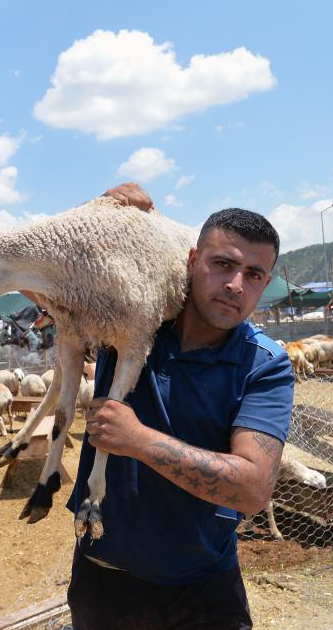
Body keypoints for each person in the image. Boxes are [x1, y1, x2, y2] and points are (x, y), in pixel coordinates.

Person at [65, 184, 294, 630]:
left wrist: (138, 440)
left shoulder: (263, 365)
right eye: (222, 264)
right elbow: (59, 271)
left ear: (265, 284)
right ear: (191, 261)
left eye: (253, 274)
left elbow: (253, 489)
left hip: (201, 593)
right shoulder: (129, 322)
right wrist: (101, 209)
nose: (235, 285)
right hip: (102, 583)